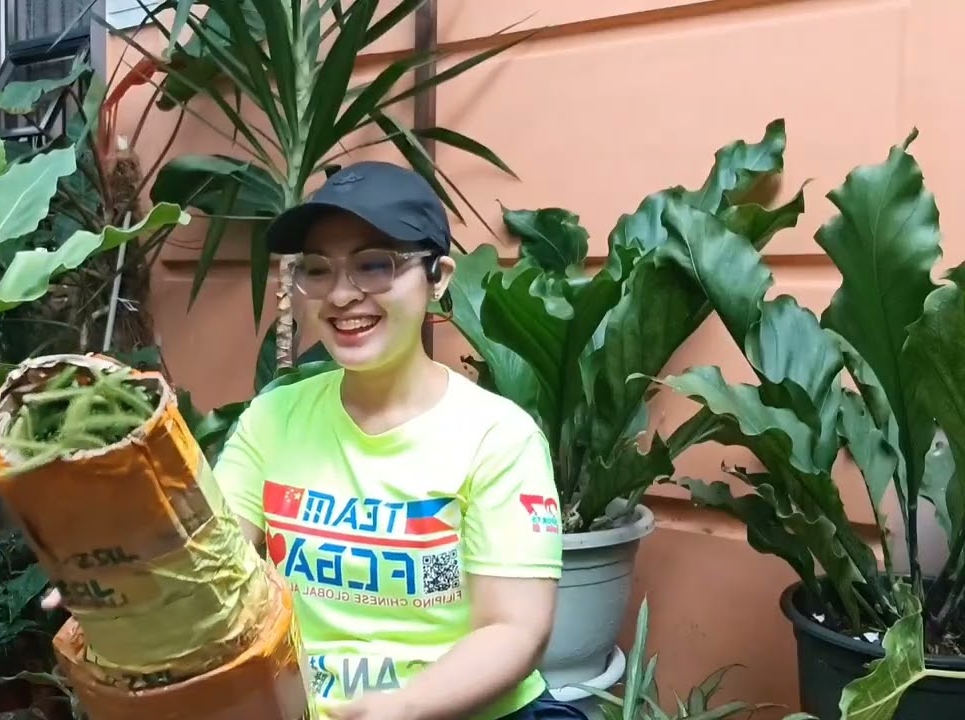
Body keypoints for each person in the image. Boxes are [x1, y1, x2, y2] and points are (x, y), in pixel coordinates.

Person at [45, 161, 580, 720]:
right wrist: (121, 578)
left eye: (376, 265)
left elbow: (515, 629)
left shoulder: (498, 437)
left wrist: (402, 707)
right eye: (318, 270)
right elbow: (209, 557)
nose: (342, 295)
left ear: (438, 276)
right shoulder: (274, 417)